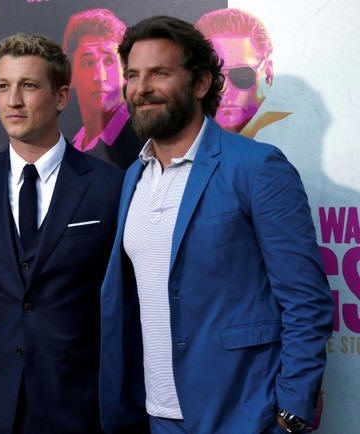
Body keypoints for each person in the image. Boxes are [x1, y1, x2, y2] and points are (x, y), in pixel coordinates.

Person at [98, 16, 333, 434]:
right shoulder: (134, 177)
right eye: (133, 75)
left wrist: (292, 410)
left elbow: (306, 301)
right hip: (158, 416)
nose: (141, 88)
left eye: (159, 73)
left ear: (201, 83)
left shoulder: (257, 168)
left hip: (243, 415)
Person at [0, 33, 123, 433]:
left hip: (80, 404)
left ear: (61, 97)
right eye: (3, 87)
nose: (13, 101)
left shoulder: (109, 187)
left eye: (28, 86)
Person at [62, 8, 142, 168]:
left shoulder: (146, 142)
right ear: (70, 75)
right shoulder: (67, 147)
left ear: (126, 71)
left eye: (109, 61)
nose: (100, 76)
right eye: (88, 63)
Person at [196, 8, 290, 138]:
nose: (223, 89)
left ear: (268, 75)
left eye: (242, 75)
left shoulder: (299, 133)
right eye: (214, 77)